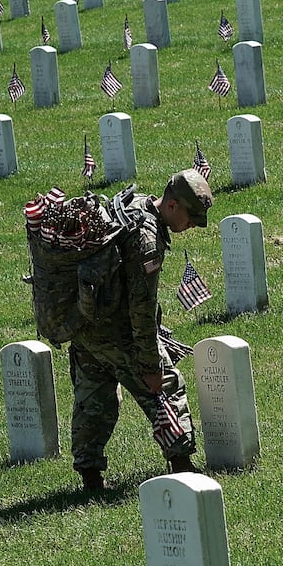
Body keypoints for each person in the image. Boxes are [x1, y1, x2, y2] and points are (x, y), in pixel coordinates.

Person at [69, 169, 213, 491]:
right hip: (117, 334)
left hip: (85, 328)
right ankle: (182, 465)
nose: (192, 226)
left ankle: (90, 477)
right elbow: (142, 311)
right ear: (172, 206)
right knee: (167, 387)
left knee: (92, 401)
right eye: (191, 217)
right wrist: (150, 366)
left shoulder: (130, 204)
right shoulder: (147, 240)